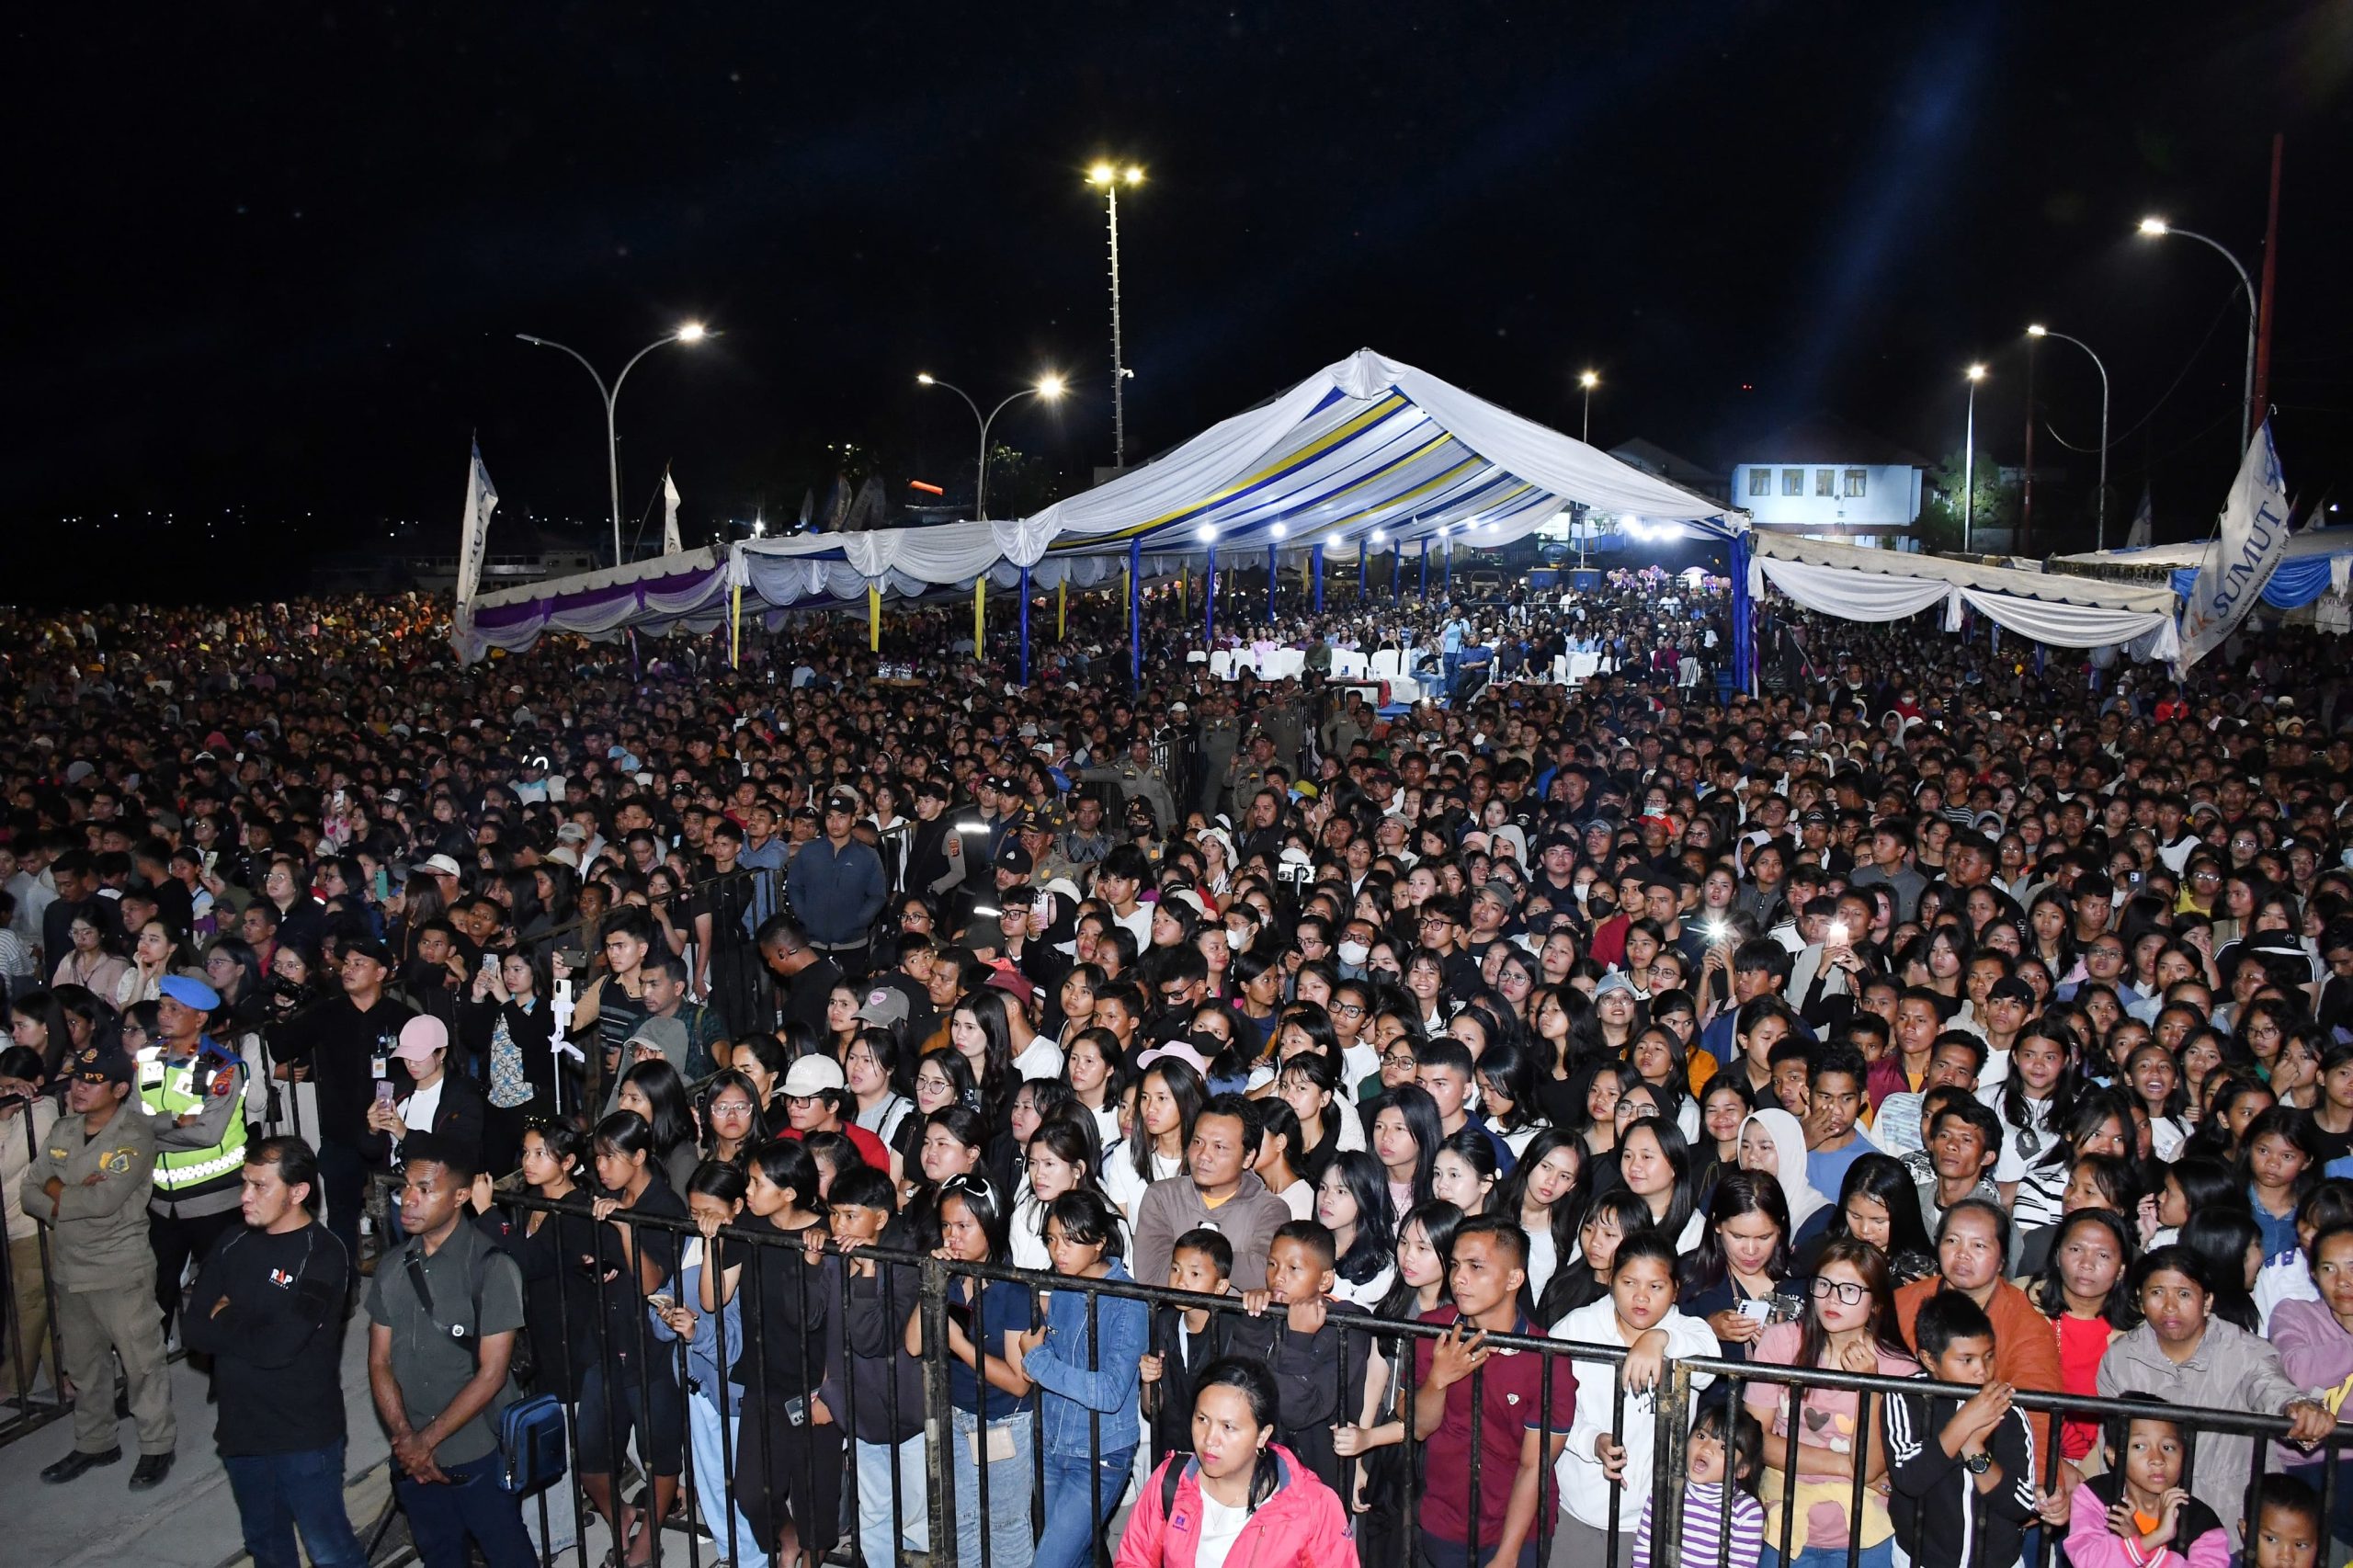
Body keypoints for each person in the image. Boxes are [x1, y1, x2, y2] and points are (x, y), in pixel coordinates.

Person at [181, 1136, 365, 1568]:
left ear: (298, 1192)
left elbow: (279, 1348)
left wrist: (226, 1315)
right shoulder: (232, 1241)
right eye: (245, 1183)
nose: (245, 1196)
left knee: (330, 1551)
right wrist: (251, 1327)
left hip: (303, 1436)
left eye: (260, 1186)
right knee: (265, 1546)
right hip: (241, 1432)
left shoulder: (322, 1255)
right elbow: (192, 1330)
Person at [364, 1131, 532, 1568]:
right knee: (439, 1554)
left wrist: (426, 1442)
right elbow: (379, 1360)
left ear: (460, 1196)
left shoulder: (491, 1267)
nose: (408, 1200)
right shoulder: (392, 1266)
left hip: (476, 1451)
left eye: (425, 1189)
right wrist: (406, 1440)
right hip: (411, 1455)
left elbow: (492, 1374)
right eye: (406, 1187)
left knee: (506, 1552)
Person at [2097, 1245, 2336, 1547]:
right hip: (2147, 1525)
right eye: (2157, 1293)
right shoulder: (2121, 1359)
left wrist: (2298, 1408)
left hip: (2230, 1524)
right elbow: (2113, 1447)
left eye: (2184, 1294)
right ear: (2140, 1300)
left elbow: (2272, 1388)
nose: (2169, 1306)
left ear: (2207, 1301)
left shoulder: (2245, 1352)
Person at [26, 1039, 176, 1487]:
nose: (79, 1088)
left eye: (93, 1082)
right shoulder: (63, 1130)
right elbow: (29, 1190)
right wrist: (68, 1192)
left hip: (119, 1268)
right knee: (84, 1366)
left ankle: (157, 1446)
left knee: (141, 1364)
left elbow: (104, 1200)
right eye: (77, 1078)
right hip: (71, 1266)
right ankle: (96, 1443)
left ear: (120, 1089)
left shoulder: (134, 1135)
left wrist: (56, 1188)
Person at [1413, 1214, 1576, 1568]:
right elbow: (1418, 1428)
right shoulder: (1433, 1330)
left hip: (1519, 1530)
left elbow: (1534, 1465)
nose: (1459, 1278)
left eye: (1476, 1267)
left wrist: (1508, 1553)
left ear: (1514, 1278)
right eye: (1455, 1265)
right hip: (1444, 1520)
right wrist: (1438, 1379)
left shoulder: (1546, 1357)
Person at [1554, 1228, 1722, 1568]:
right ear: (1611, 1280)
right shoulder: (1577, 1328)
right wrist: (1592, 1441)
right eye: (1629, 1282)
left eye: (1655, 1286)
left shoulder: (1690, 1331)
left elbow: (1709, 1363)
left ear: (1675, 1290)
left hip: (1652, 1516)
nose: (1641, 1297)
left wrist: (1659, 1338)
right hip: (1577, 1508)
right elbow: (1551, 1408)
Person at [1008, 1188, 1153, 1568]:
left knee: (1050, 1562)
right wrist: (1039, 1363)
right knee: (1078, 1555)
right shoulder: (1065, 1285)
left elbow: (1110, 1392)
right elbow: (1055, 1364)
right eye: (1052, 1239)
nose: (1059, 1250)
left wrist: (1038, 1361)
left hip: (1100, 1453)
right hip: (1053, 1444)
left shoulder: (1127, 1300)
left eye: (1070, 1240)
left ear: (1099, 1241)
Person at [1117, 1354, 1358, 1568]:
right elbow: (1133, 1559)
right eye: (1202, 1419)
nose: (1209, 1439)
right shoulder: (1171, 1481)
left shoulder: (1312, 1506)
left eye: (1228, 1427)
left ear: (1263, 1435)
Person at [1881, 1290, 2049, 1568]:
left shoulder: (2006, 1408)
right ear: (1929, 1359)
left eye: (1989, 1356)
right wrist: (1964, 1424)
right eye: (1966, 1359)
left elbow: (2020, 1505)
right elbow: (1910, 1478)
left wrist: (1973, 1448)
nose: (1982, 1370)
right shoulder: (1905, 1397)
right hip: (1921, 1560)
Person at [139, 971, 252, 1342]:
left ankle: (226, 1365)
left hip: (213, 1201)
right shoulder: (148, 1059)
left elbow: (207, 1134)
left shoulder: (221, 1066)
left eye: (175, 1009)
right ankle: (152, 1365)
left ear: (200, 1018)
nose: (164, 1015)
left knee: (223, 1289)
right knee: (156, 1288)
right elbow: (130, 1119)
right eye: (162, 1007)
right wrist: (171, 1122)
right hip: (161, 1202)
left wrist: (151, 1135)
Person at [1131, 1093, 1296, 1292]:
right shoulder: (1162, 1196)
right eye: (1198, 1142)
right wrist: (1226, 1264)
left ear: (1248, 1157)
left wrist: (1188, 1262)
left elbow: (1264, 1274)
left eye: (1219, 1147)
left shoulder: (1270, 1209)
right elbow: (1151, 1275)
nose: (1204, 1156)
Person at [2064, 1399, 2230, 1568]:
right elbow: (2088, 1562)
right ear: (2113, 1455)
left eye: (2168, 1447)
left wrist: (2144, 1545)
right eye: (2140, 1446)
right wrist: (2155, 1538)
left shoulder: (2202, 1521)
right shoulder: (2095, 1496)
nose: (2157, 1459)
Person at [1631, 1401, 1767, 1568]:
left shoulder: (1746, 1511)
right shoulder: (1667, 1488)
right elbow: (1645, 1550)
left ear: (1741, 1469)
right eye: (1702, 1436)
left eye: (1723, 1447)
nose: (1706, 1448)